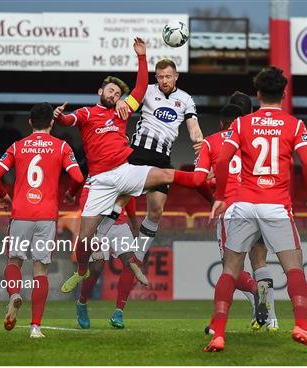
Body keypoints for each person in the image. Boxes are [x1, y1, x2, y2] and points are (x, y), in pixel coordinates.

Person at [52, 38, 202, 293]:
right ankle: (82, 269)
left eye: (118, 93)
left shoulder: (126, 111)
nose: (115, 95)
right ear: (100, 92)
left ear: (176, 76)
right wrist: (60, 117)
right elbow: (71, 120)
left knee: (158, 200)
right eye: (111, 91)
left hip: (131, 165)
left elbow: (140, 88)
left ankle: (138, 256)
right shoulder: (90, 113)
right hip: (110, 171)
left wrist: (141, 56)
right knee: (87, 235)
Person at [204, 67, 307, 353]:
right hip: (276, 206)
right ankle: (302, 326)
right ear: (283, 94)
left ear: (257, 94)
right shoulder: (294, 125)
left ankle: (219, 333)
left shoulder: (241, 124)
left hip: (244, 203)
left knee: (231, 269)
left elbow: (222, 162)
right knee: (294, 266)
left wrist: (221, 196)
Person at [0, 102, 84, 338]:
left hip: (20, 214)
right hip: (47, 216)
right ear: (52, 122)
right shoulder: (61, 146)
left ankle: (14, 295)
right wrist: (70, 193)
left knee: (14, 261)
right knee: (40, 270)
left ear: (30, 122)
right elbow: (78, 176)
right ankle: (35, 327)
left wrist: (4, 196)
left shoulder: (17, 146)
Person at [193, 93, 279, 332]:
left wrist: (212, 191)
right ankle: (269, 317)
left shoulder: (212, 142)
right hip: (261, 206)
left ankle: (254, 301)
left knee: (230, 268)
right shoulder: (258, 139)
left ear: (223, 122)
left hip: (232, 209)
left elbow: (198, 180)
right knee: (260, 260)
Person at [115, 58, 203, 267]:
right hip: (138, 153)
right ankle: (99, 244)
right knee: (119, 202)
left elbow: (193, 126)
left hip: (162, 158)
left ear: (176, 76)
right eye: (160, 77)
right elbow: (127, 104)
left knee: (156, 210)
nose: (164, 80)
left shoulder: (186, 99)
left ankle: (138, 255)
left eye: (168, 76)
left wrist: (198, 138)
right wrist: (120, 101)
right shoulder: (147, 91)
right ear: (156, 77)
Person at [61, 182, 140, 329]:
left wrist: (134, 223)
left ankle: (118, 312)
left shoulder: (122, 171)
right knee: (97, 267)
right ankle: (82, 303)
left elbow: (128, 196)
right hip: (97, 224)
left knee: (131, 263)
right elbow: (85, 201)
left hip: (119, 225)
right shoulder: (94, 178)